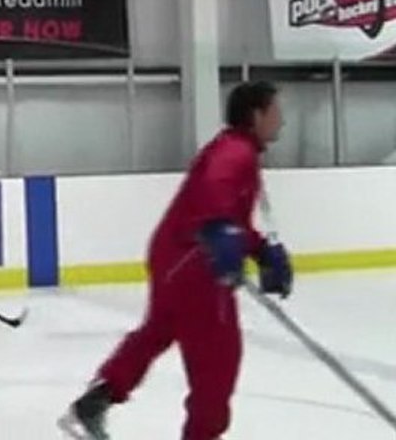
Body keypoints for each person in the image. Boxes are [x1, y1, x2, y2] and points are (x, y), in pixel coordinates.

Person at [58, 81, 294, 440]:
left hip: (174, 258)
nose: (282, 121)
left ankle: (94, 402)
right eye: (276, 112)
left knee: (157, 332)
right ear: (256, 115)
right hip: (195, 266)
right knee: (218, 362)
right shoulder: (236, 153)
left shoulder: (236, 149)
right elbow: (214, 195)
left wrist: (259, 249)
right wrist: (221, 234)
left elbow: (230, 217)